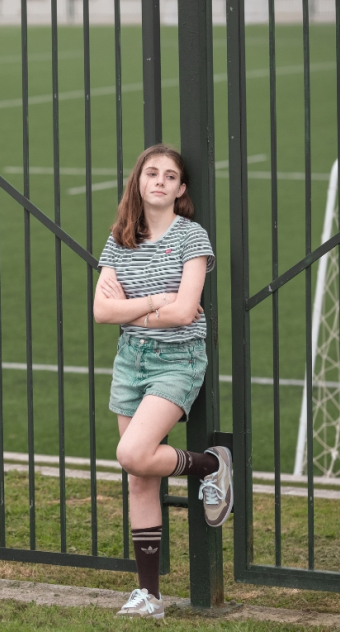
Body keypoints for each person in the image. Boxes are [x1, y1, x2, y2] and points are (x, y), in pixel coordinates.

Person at [94, 144, 232, 620]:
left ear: (180, 189)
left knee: (134, 454)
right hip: (130, 361)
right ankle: (149, 597)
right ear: (138, 181)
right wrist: (155, 301)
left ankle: (210, 465)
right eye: (151, 173)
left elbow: (186, 311)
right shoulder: (120, 239)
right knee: (139, 478)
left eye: (170, 176)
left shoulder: (192, 237)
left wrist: (134, 310)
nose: (159, 181)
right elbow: (100, 311)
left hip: (178, 360)